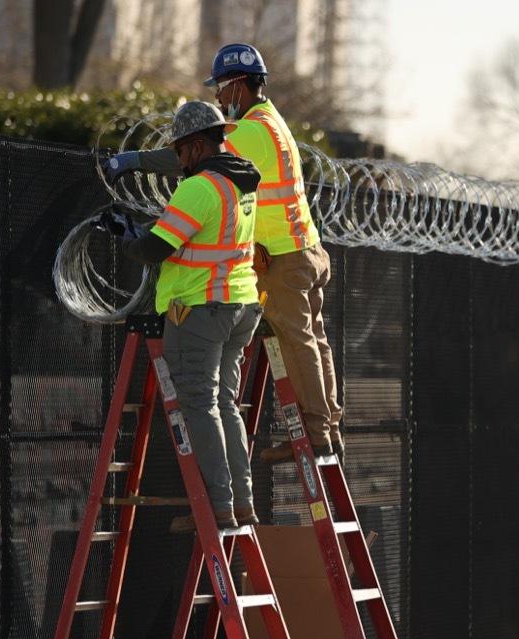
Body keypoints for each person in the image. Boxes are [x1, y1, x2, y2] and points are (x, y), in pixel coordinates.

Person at [105, 43, 344, 466]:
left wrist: (134, 160)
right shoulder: (274, 123)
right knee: (315, 340)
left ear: (237, 86)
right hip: (306, 247)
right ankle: (328, 428)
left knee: (298, 341)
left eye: (220, 88)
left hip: (284, 258)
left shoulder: (251, 130)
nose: (218, 98)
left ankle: (317, 435)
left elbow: (192, 153)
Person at [102, 100, 263, 529]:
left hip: (200, 310)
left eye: (178, 151)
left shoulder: (199, 188)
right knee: (226, 405)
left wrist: (126, 235)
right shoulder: (242, 182)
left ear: (195, 146)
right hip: (240, 305)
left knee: (199, 406)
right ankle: (241, 502)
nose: (177, 159)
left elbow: (157, 247)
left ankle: (216, 508)